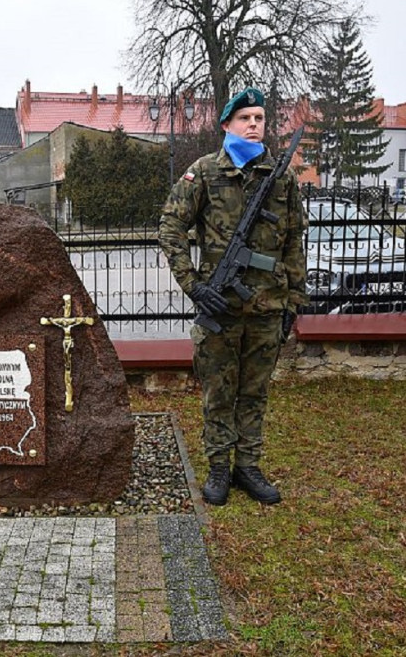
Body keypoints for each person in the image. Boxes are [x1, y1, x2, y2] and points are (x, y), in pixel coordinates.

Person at [158, 88, 307, 506]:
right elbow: (170, 228)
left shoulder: (281, 176)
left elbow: (295, 240)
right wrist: (195, 287)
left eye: (259, 117)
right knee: (219, 392)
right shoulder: (205, 173)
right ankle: (220, 467)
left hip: (267, 306)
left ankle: (249, 466)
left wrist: (293, 302)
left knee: (255, 392)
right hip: (219, 306)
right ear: (227, 125)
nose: (254, 124)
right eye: (245, 118)